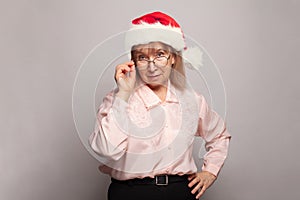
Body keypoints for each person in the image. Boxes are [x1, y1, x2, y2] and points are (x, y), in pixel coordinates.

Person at [89, 11, 231, 200]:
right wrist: (123, 94)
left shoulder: (192, 100)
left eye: (160, 55)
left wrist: (210, 171)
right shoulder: (117, 99)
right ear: (134, 61)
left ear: (173, 58)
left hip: (180, 192)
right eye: (142, 57)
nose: (152, 66)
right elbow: (106, 149)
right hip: (131, 193)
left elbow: (219, 135)